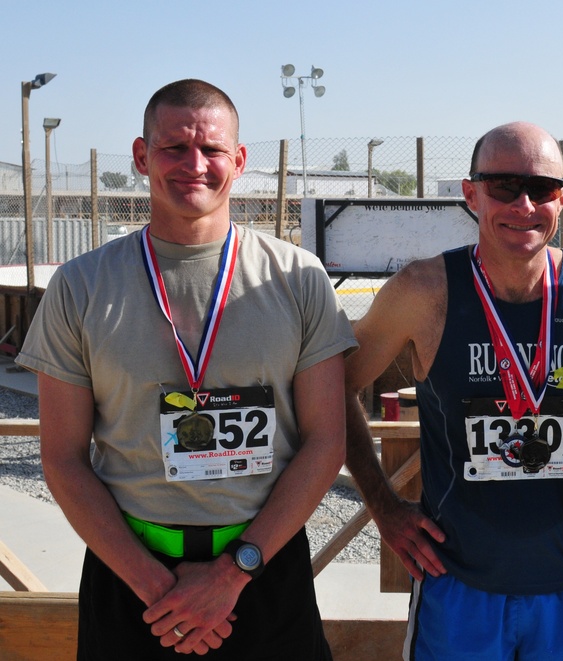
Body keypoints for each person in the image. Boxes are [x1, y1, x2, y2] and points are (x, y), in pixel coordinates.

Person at [16, 79, 356, 659]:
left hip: (263, 572)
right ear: (142, 156)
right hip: (133, 584)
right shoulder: (80, 286)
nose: (194, 165)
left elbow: (326, 442)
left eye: (212, 150)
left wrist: (230, 577)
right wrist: (158, 588)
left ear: (239, 160)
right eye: (174, 147)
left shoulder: (299, 278)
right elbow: (62, 458)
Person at [343, 121, 563, 660]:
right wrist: (384, 506)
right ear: (470, 193)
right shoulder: (423, 292)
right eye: (503, 186)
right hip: (457, 586)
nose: (523, 205)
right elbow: (334, 386)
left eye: (542, 189)